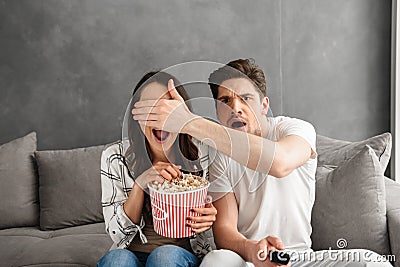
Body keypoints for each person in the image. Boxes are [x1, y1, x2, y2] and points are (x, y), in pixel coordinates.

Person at [132, 59, 391, 266]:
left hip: (299, 258)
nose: (236, 108)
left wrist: (188, 122)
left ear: (264, 105)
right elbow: (224, 231)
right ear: (217, 112)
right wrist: (254, 250)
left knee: (370, 261)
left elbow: (280, 162)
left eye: (246, 98)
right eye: (225, 101)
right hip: (248, 260)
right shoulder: (219, 155)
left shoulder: (295, 129)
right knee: (216, 260)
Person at [98, 71, 217, 267]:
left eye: (168, 109)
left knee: (164, 256)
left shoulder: (204, 153)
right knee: (116, 260)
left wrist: (210, 219)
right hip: (130, 253)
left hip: (181, 256)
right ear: (137, 116)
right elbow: (116, 234)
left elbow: (218, 231)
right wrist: (139, 186)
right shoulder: (114, 157)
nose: (160, 117)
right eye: (150, 109)